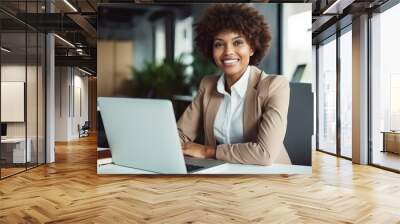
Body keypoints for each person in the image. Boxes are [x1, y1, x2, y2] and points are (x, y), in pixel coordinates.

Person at [178, 4, 291, 166]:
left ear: (252, 48)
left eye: (238, 42)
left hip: (270, 177)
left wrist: (208, 151)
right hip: (222, 173)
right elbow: (182, 133)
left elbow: (264, 154)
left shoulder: (275, 86)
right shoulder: (208, 85)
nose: (227, 52)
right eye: (219, 44)